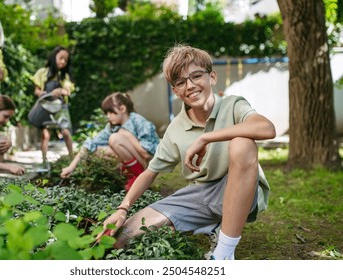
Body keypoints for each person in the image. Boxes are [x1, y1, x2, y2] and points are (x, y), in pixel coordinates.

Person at [98, 45, 276, 260]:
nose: (190, 86)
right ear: (175, 91)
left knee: (242, 144)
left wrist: (206, 137)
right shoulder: (176, 128)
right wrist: (122, 208)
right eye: (181, 82)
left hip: (240, 189)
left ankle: (223, 254)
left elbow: (267, 129)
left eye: (196, 76)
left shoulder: (233, 105)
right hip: (199, 195)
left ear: (212, 76)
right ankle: (212, 224)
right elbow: (149, 172)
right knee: (123, 238)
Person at [60, 92, 160, 191]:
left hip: (146, 165)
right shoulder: (112, 126)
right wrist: (71, 167)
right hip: (133, 162)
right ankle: (125, 177)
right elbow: (90, 144)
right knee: (97, 150)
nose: (108, 116)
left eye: (111, 112)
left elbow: (147, 154)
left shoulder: (139, 121)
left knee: (114, 139)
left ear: (122, 109)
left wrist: (129, 136)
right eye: (106, 113)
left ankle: (139, 177)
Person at [32, 46, 75, 164]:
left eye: (65, 60)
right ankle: (44, 161)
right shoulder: (42, 72)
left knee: (66, 132)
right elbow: (37, 90)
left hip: (60, 107)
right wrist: (46, 93)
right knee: (45, 134)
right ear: (54, 56)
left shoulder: (64, 77)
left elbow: (68, 91)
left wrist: (60, 91)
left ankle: (72, 159)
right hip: (45, 106)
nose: (63, 62)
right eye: (61, 58)